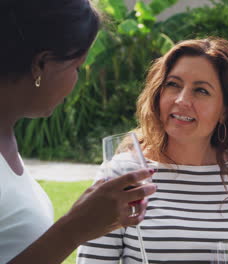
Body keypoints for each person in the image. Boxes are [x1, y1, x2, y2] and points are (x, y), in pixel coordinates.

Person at [77, 38, 228, 264]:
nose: (182, 99)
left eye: (201, 91)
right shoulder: (122, 174)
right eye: (173, 84)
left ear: (225, 110)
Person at [0, 1, 156, 264]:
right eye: (77, 67)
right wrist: (73, 230)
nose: (78, 79)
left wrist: (82, 218)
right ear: (42, 64)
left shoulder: (7, 140)